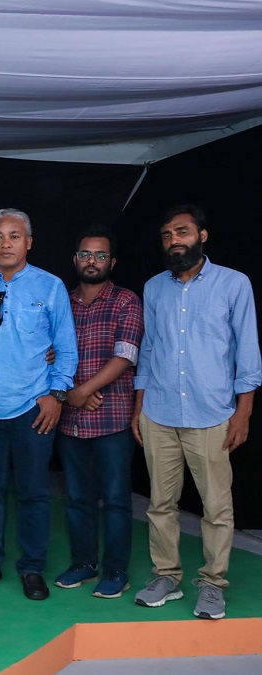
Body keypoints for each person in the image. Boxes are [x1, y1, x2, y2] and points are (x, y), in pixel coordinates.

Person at [131, 204, 260, 620]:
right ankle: (166, 576)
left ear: (202, 236)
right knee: (160, 504)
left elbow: (247, 352)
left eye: (182, 232)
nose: (174, 241)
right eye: (167, 235)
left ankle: (213, 584)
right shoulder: (154, 287)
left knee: (216, 508)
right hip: (159, 411)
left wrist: (243, 413)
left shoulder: (234, 283)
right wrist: (140, 405)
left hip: (212, 413)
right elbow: (150, 348)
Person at [0, 208, 77, 601]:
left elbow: (66, 349)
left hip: (32, 408)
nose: (5, 243)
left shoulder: (50, 286)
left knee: (33, 492)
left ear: (29, 242)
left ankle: (32, 568)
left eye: (14, 236)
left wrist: (57, 395)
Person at [53, 226, 143, 600]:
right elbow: (48, 352)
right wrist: (73, 395)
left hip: (111, 417)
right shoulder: (62, 301)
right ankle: (84, 564)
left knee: (117, 500)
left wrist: (82, 391)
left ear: (112, 262)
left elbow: (125, 355)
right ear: (76, 259)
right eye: (86, 254)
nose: (93, 261)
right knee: (77, 499)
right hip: (71, 419)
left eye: (101, 255)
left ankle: (116, 571)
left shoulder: (126, 301)